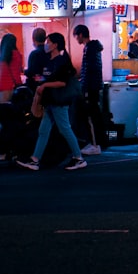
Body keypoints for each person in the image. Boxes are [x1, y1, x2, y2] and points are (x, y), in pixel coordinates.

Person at [17, 33, 86, 171]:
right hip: (50, 102)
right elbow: (50, 78)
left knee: (65, 129)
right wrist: (41, 80)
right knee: (44, 130)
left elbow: (62, 83)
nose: (46, 44)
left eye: (48, 41)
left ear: (55, 44)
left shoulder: (61, 61)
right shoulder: (51, 60)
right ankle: (35, 160)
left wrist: (44, 85)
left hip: (58, 101)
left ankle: (79, 158)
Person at [73, 24, 104, 156]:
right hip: (94, 86)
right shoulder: (93, 47)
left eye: (76, 36)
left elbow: (89, 70)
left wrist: (84, 86)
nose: (76, 39)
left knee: (91, 116)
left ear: (80, 35)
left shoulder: (89, 49)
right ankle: (95, 143)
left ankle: (95, 145)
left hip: (91, 87)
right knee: (93, 115)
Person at [0, 33, 23, 102]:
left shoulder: (2, 56)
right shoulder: (16, 54)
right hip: (9, 87)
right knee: (8, 110)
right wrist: (20, 85)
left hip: (1, 86)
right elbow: (15, 73)